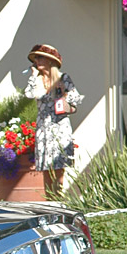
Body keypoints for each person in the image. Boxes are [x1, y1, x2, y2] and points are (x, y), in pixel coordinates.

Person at [24, 44, 83, 195]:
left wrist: (64, 95)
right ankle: (50, 201)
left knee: (58, 167)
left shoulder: (63, 78)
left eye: (40, 57)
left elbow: (75, 99)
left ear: (50, 60)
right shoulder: (37, 80)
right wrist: (33, 76)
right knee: (46, 168)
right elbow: (29, 95)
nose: (36, 61)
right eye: (35, 58)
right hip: (43, 127)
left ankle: (58, 200)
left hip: (59, 127)